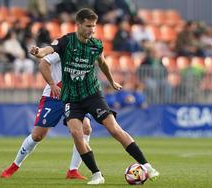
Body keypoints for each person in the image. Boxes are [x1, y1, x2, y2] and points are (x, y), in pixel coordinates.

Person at [30, 8, 159, 185]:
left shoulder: (96, 44)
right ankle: (96, 174)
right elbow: (49, 49)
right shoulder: (67, 41)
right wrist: (39, 52)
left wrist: (112, 81)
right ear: (78, 25)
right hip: (71, 97)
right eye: (88, 26)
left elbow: (103, 63)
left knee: (114, 129)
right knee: (77, 133)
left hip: (92, 93)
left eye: (94, 26)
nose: (92, 29)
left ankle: (147, 166)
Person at [0, 52, 93, 180]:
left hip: (74, 98)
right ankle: (14, 166)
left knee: (86, 128)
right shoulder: (65, 47)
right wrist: (52, 83)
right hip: (53, 97)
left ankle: (73, 170)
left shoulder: (88, 51)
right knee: (38, 135)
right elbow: (44, 60)